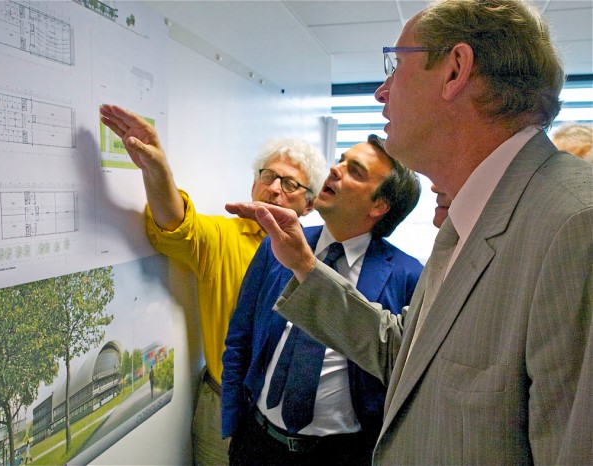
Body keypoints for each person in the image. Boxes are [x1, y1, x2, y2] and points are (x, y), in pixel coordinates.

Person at [225, 0, 593, 463]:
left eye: (395, 66)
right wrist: (303, 264)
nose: (381, 92)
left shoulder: (575, 226)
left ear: (455, 70)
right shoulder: (469, 219)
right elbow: (405, 354)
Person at [99, 104, 327, 465]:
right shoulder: (224, 236)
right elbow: (175, 223)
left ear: (309, 204)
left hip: (290, 423)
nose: (274, 189)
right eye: (268, 176)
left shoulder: (319, 259)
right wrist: (156, 169)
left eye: (290, 184)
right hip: (223, 404)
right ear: (254, 183)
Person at [221, 136, 423, 465]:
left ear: (379, 206)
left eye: (355, 171)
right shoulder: (279, 245)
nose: (335, 169)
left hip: (342, 454)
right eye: (341, 160)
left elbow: (402, 375)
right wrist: (234, 425)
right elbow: (240, 337)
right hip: (256, 442)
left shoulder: (408, 276)